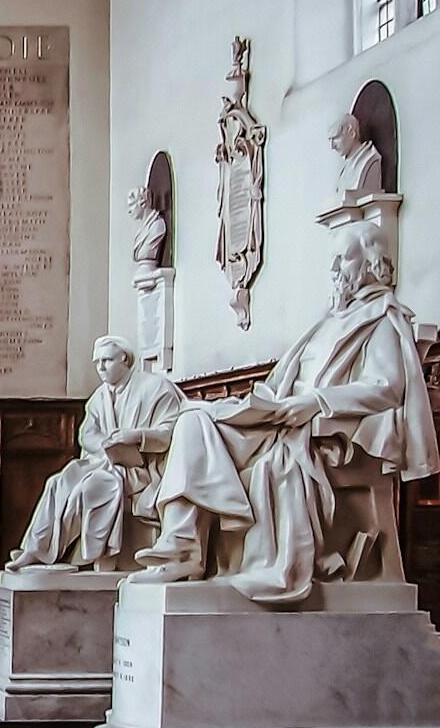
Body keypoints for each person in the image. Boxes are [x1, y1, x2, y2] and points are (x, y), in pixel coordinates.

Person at [132, 222, 437, 602]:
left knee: (266, 465)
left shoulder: (381, 320)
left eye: (343, 259)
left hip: (323, 431)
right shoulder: (328, 320)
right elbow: (280, 382)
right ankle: (182, 548)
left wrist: (315, 402)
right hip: (281, 418)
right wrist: (255, 406)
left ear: (369, 264)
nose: (334, 270)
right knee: (193, 419)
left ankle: (215, 552)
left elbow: (386, 388)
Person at [6, 335, 184, 572]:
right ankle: (35, 550)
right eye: (97, 362)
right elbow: (86, 434)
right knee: (57, 483)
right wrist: (106, 445)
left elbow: (171, 432)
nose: (100, 367)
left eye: (107, 360)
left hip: (140, 470)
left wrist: (137, 436)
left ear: (124, 358)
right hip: (104, 462)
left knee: (94, 487)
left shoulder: (155, 388)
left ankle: (98, 561)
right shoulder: (100, 396)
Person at [328, 113, 385, 197]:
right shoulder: (345, 167)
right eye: (331, 140)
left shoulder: (369, 159)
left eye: (336, 138)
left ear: (351, 133)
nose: (332, 146)